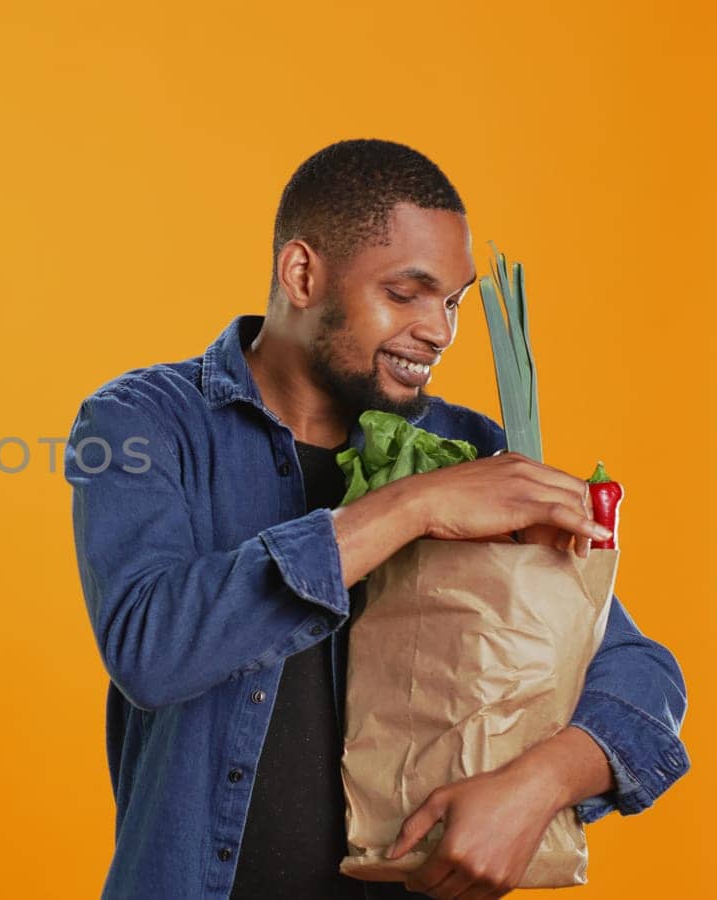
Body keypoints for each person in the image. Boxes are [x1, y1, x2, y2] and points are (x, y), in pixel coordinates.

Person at [62, 139, 689, 900]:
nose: (440, 331)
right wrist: (414, 507)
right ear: (302, 275)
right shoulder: (143, 422)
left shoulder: (470, 448)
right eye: (406, 293)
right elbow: (151, 649)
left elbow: (637, 670)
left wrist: (538, 786)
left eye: (452, 301)